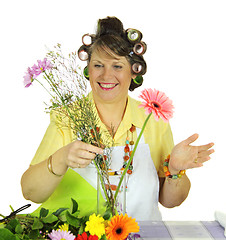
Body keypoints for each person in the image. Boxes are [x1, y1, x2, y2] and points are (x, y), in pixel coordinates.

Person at [21, 16, 214, 221]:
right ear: (88, 69)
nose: (106, 75)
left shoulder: (154, 120)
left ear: (134, 71)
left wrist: (175, 171)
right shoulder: (67, 118)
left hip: (139, 234)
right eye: (98, 65)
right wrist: (62, 158)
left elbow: (169, 201)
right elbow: (31, 193)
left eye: (117, 66)